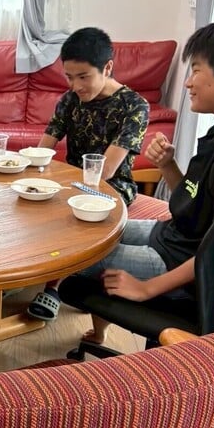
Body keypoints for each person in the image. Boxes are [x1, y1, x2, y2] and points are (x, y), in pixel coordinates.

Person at [74, 15, 214, 345]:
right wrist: (168, 166)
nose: (187, 83)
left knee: (75, 258)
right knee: (91, 226)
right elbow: (197, 205)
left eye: (196, 70)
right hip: (173, 237)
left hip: (179, 263)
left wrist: (147, 288)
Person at [27, 27, 149, 321]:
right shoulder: (70, 100)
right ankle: (19, 272)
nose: (75, 85)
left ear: (107, 67)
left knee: (72, 213)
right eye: (69, 77)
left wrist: (63, 186)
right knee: (28, 200)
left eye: (83, 77)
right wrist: (31, 174)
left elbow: (106, 170)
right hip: (71, 181)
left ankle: (53, 286)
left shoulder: (134, 106)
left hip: (112, 188)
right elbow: (44, 148)